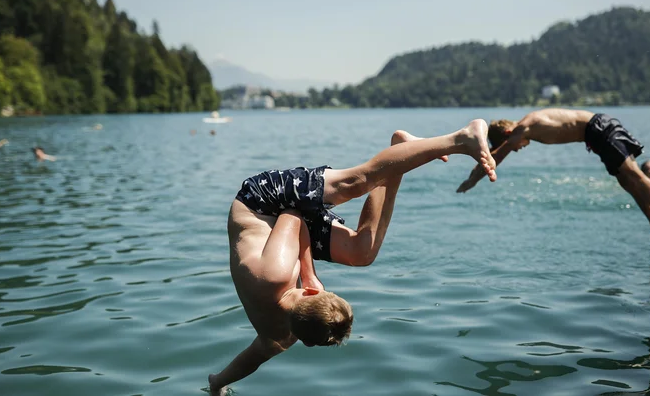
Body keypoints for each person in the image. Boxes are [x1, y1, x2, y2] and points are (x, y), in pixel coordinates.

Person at [208, 120, 497, 395]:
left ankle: (461, 138)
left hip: (260, 203)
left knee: (354, 184)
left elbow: (293, 215)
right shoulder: (279, 338)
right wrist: (218, 384)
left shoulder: (277, 275)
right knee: (362, 252)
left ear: (310, 292)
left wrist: (309, 274)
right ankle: (399, 153)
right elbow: (251, 360)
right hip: (281, 233)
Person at [455, 108, 650, 259]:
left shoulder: (522, 129)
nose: (520, 148)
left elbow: (496, 156)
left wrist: (471, 180)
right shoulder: (527, 125)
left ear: (507, 133)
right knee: (628, 183)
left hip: (599, 129)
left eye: (515, 145)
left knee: (635, 177)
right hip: (595, 136)